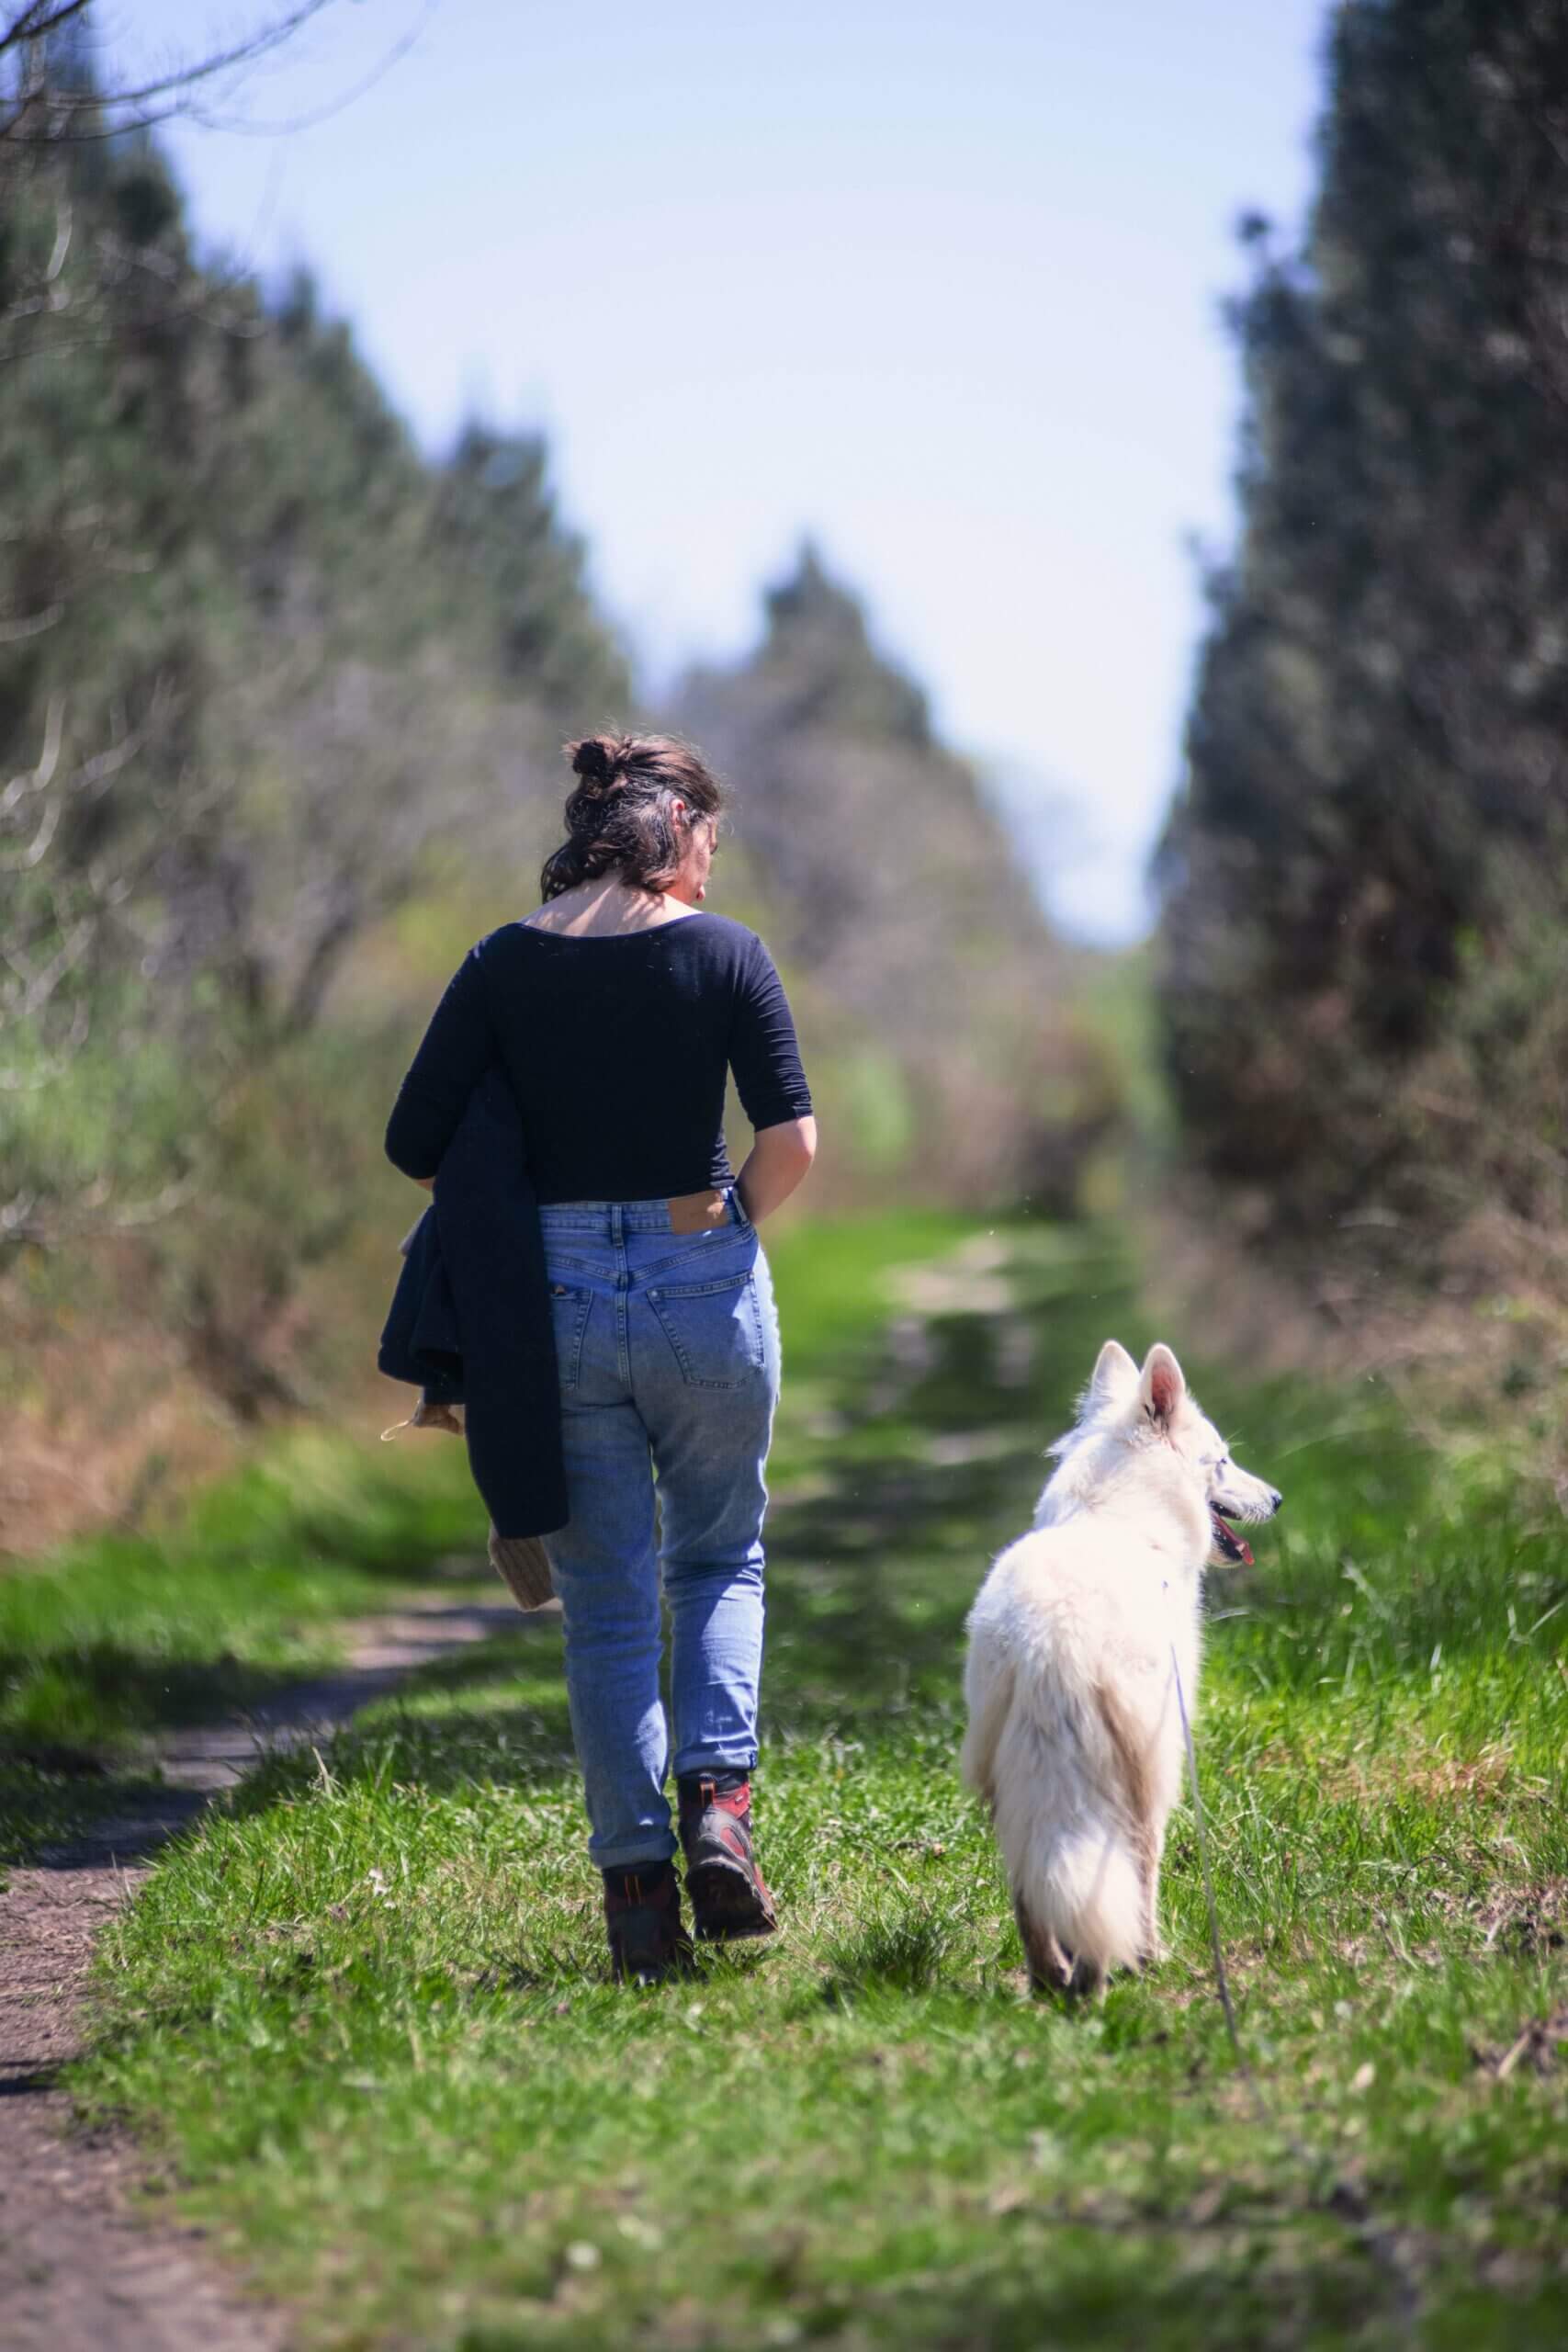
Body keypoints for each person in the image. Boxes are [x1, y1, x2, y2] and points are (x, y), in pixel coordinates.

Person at [382, 732, 817, 1981]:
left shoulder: (501, 964)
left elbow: (418, 1138)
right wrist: (716, 1222)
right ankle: (718, 1814)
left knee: (609, 1609)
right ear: (676, 830)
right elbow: (792, 1142)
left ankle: (638, 1902)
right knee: (721, 1554)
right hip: (701, 1277)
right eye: (712, 849)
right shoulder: (726, 954)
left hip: (553, 1298)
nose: (712, 874)